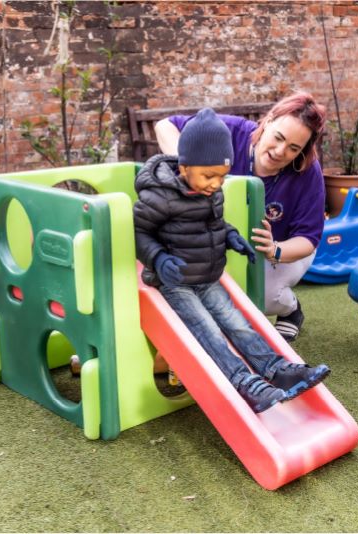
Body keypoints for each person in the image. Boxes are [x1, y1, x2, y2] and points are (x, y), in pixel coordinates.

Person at [133, 107, 330, 413]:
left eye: (221, 177)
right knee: (208, 330)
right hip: (174, 281)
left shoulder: (210, 188)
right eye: (209, 176)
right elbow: (138, 232)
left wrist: (231, 237)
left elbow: (214, 223)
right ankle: (244, 383)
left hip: (207, 275)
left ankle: (277, 370)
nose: (216, 184)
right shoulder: (161, 195)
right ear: (184, 166)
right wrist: (157, 259)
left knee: (238, 323)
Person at [154, 92, 326, 342]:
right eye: (278, 137)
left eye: (293, 148)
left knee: (261, 294)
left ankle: (290, 308)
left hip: (282, 248)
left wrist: (275, 250)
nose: (280, 151)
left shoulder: (307, 172)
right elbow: (165, 126)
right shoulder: (229, 132)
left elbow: (308, 239)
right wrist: (190, 167)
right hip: (223, 240)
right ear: (268, 121)